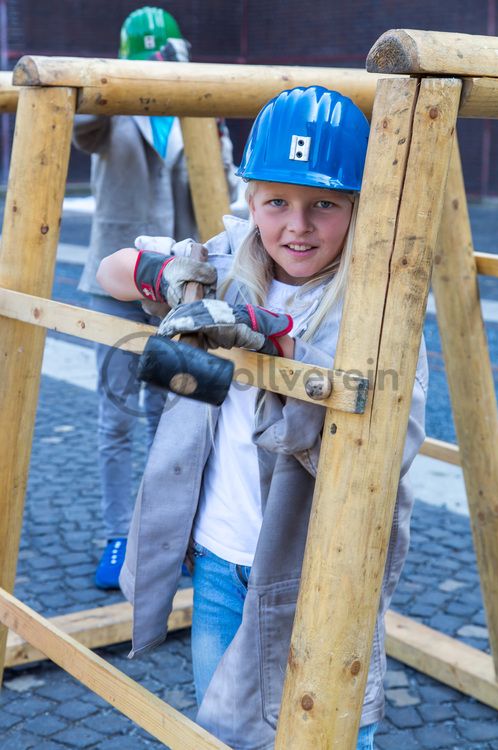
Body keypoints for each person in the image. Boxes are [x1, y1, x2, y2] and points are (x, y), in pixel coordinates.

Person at [97, 86, 428, 750]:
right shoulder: (227, 266)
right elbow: (111, 269)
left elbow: (392, 444)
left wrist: (279, 345)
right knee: (225, 729)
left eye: (324, 205)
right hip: (221, 557)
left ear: (358, 207)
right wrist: (171, 276)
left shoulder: (377, 307)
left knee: (334, 729)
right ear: (250, 202)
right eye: (277, 202)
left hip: (319, 562)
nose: (297, 226)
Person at [73, 6, 240, 589]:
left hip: (181, 289)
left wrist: (202, 101)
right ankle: (121, 535)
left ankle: (168, 533)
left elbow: (224, 181)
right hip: (119, 281)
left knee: (175, 411)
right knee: (115, 412)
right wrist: (122, 80)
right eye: (147, 58)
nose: (159, 65)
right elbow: (83, 126)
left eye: (165, 55)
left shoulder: (201, 113)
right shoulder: (111, 110)